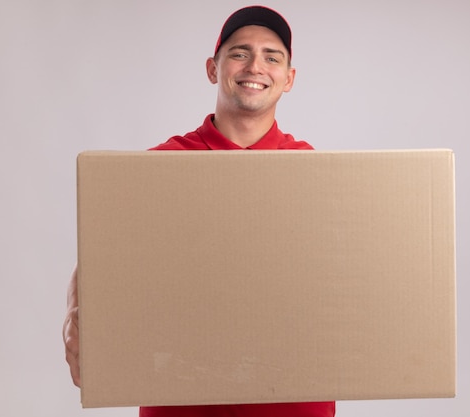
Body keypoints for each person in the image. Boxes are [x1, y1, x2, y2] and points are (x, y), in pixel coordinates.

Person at [63, 6, 336, 417]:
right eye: (240, 53)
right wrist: (73, 315)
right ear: (214, 68)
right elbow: (102, 257)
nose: (255, 65)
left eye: (272, 56)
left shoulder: (316, 171)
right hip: (182, 399)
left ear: (289, 78)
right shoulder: (162, 164)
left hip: (293, 399)